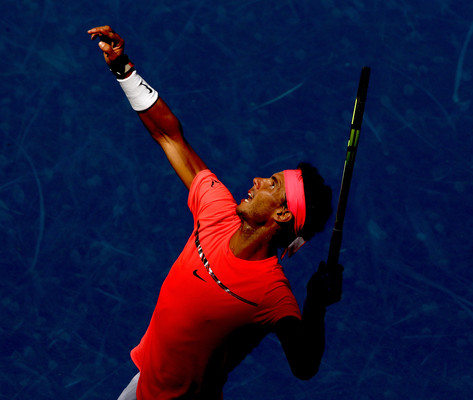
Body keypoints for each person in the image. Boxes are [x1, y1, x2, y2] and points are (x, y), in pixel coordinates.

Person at [87, 25, 344, 400]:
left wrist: (317, 304)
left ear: (283, 216)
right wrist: (123, 69)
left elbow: (304, 366)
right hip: (141, 389)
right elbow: (170, 136)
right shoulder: (217, 210)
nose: (257, 180)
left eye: (272, 185)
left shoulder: (271, 293)